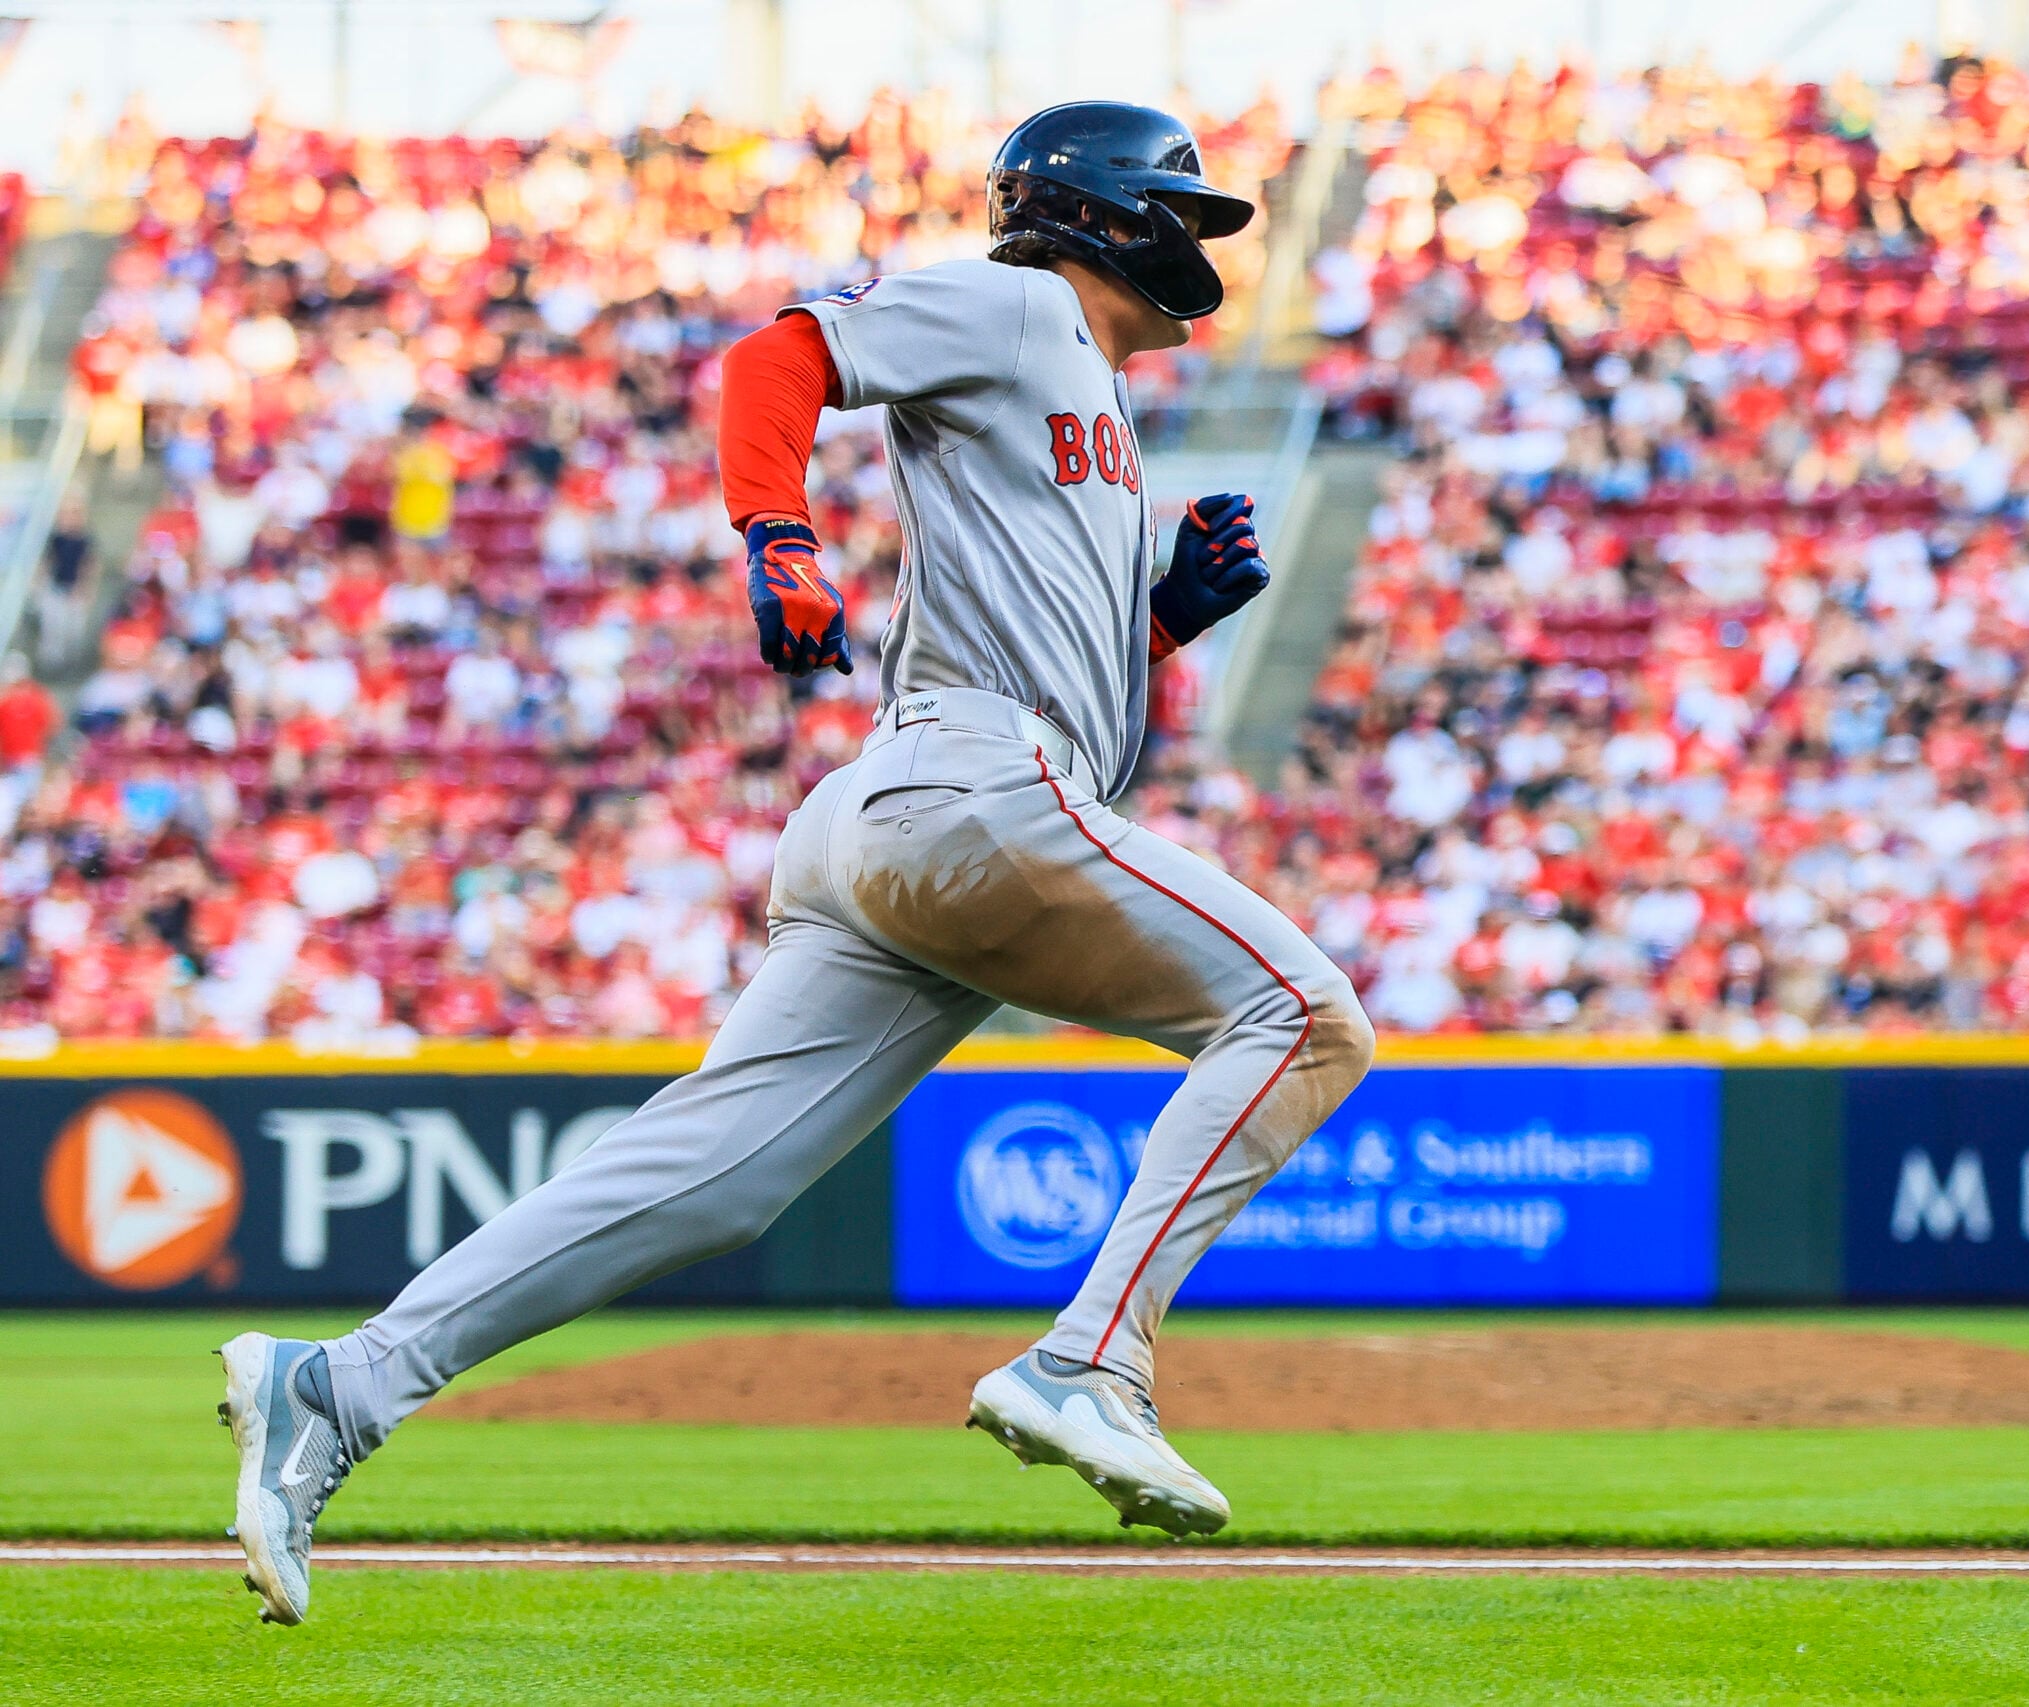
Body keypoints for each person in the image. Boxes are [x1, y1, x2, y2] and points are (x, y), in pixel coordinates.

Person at [214, 102, 1375, 1626]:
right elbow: (780, 357)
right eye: (1179, 209)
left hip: (915, 807)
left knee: (707, 1178)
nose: (1197, 241)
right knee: (1305, 1020)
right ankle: (1092, 1357)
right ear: (1100, 213)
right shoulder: (1022, 299)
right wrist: (777, 531)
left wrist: (1163, 624)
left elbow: (1038, 648)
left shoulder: (1071, 376)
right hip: (965, 780)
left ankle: (341, 1384)